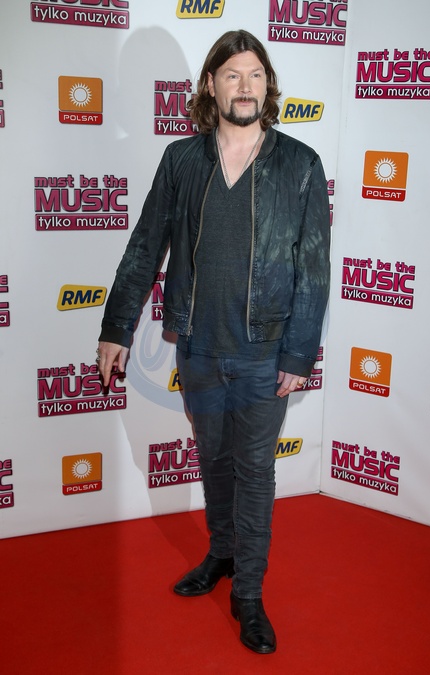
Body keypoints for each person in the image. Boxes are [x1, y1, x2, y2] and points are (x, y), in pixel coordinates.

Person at [97, 29, 330, 655]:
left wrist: (298, 354)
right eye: (232, 75)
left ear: (267, 85)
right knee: (214, 461)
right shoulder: (181, 160)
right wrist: (117, 327)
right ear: (211, 85)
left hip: (263, 352)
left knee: (254, 472)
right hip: (198, 347)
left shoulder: (300, 164)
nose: (244, 86)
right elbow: (146, 245)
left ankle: (248, 594)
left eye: (254, 74)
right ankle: (221, 553)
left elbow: (313, 269)